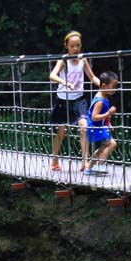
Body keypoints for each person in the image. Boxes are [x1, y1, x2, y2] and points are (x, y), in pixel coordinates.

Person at [48, 30, 101, 171]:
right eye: (72, 46)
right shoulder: (63, 60)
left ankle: (85, 161)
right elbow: (52, 75)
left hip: (78, 99)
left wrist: (104, 86)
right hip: (63, 99)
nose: (75, 48)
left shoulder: (83, 60)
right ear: (66, 46)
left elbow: (92, 77)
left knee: (84, 128)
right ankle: (54, 159)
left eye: (78, 45)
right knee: (61, 132)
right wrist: (65, 83)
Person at [82, 71, 119, 175]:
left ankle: (88, 168)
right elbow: (94, 117)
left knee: (102, 148)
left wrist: (108, 123)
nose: (115, 89)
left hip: (100, 127)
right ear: (103, 85)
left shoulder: (104, 97)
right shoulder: (100, 101)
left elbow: (102, 115)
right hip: (95, 127)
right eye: (113, 86)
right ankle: (100, 165)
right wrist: (108, 113)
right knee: (112, 144)